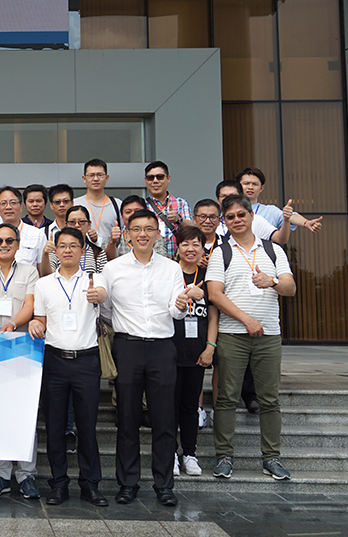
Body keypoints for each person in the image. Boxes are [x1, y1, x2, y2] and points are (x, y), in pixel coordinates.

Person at [103, 209, 193, 507]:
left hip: (162, 348)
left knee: (164, 419)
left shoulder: (171, 268)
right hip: (127, 347)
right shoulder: (113, 269)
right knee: (127, 419)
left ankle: (164, 485)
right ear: (127, 234)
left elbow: (176, 312)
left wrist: (181, 305)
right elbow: (105, 310)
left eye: (149, 229)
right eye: (137, 229)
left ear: (157, 234)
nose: (143, 234)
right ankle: (127, 483)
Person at [207, 195, 296, 482]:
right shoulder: (221, 253)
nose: (237, 220)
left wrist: (272, 281)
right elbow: (215, 294)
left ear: (251, 216)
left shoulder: (273, 250)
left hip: (268, 335)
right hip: (232, 335)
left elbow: (290, 288)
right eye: (230, 216)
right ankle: (224, 456)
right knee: (226, 398)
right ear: (225, 221)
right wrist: (246, 319)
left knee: (270, 399)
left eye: (241, 214)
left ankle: (272, 458)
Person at [30, 227, 109, 507]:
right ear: (56, 250)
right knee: (54, 426)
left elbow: (103, 294)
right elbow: (40, 318)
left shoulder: (94, 279)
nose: (67, 250)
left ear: (82, 250)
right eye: (62, 245)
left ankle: (90, 485)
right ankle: (59, 484)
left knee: (87, 425)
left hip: (87, 360)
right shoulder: (43, 284)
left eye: (73, 245)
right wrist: (34, 323)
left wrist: (98, 295)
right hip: (54, 360)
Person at [0, 223, 41, 499]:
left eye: (9, 240)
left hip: (21, 344)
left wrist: (13, 324)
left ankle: (26, 475)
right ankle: (0, 474)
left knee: (24, 413)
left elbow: (30, 304)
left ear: (17, 244)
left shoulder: (29, 271)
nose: (4, 245)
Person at [171, 225, 218, 478]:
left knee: (190, 407)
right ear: (178, 247)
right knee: (169, 406)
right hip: (169, 352)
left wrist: (210, 347)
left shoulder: (209, 277)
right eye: (185, 244)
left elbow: (213, 316)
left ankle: (189, 454)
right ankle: (170, 454)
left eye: (196, 244)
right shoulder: (169, 273)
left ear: (203, 249)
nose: (190, 249)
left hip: (196, 353)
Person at [238, 166, 323, 233]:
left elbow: (291, 217)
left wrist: (306, 223)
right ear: (238, 186)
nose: (250, 187)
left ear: (261, 188)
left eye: (255, 184)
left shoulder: (270, 211)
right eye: (246, 183)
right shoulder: (231, 208)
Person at [143, 161, 194, 258]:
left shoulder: (181, 203)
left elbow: (191, 231)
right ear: (145, 181)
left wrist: (178, 219)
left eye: (160, 177)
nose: (155, 181)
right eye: (150, 178)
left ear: (168, 178)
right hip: (149, 260)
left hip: (176, 261)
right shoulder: (141, 205)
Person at [216, 181, 291, 246]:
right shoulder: (213, 223)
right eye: (224, 196)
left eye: (232, 196)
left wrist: (286, 220)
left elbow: (281, 239)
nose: (229, 199)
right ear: (218, 200)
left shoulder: (256, 220)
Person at [0, 186, 48, 274]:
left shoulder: (37, 234)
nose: (8, 207)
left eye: (13, 203)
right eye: (3, 203)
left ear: (21, 206)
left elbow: (42, 272)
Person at [75, 159, 121, 251]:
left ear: (107, 178)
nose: (96, 179)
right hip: (82, 256)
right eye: (91, 175)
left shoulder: (117, 204)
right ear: (84, 179)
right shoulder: (75, 204)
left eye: (100, 175)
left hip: (111, 256)